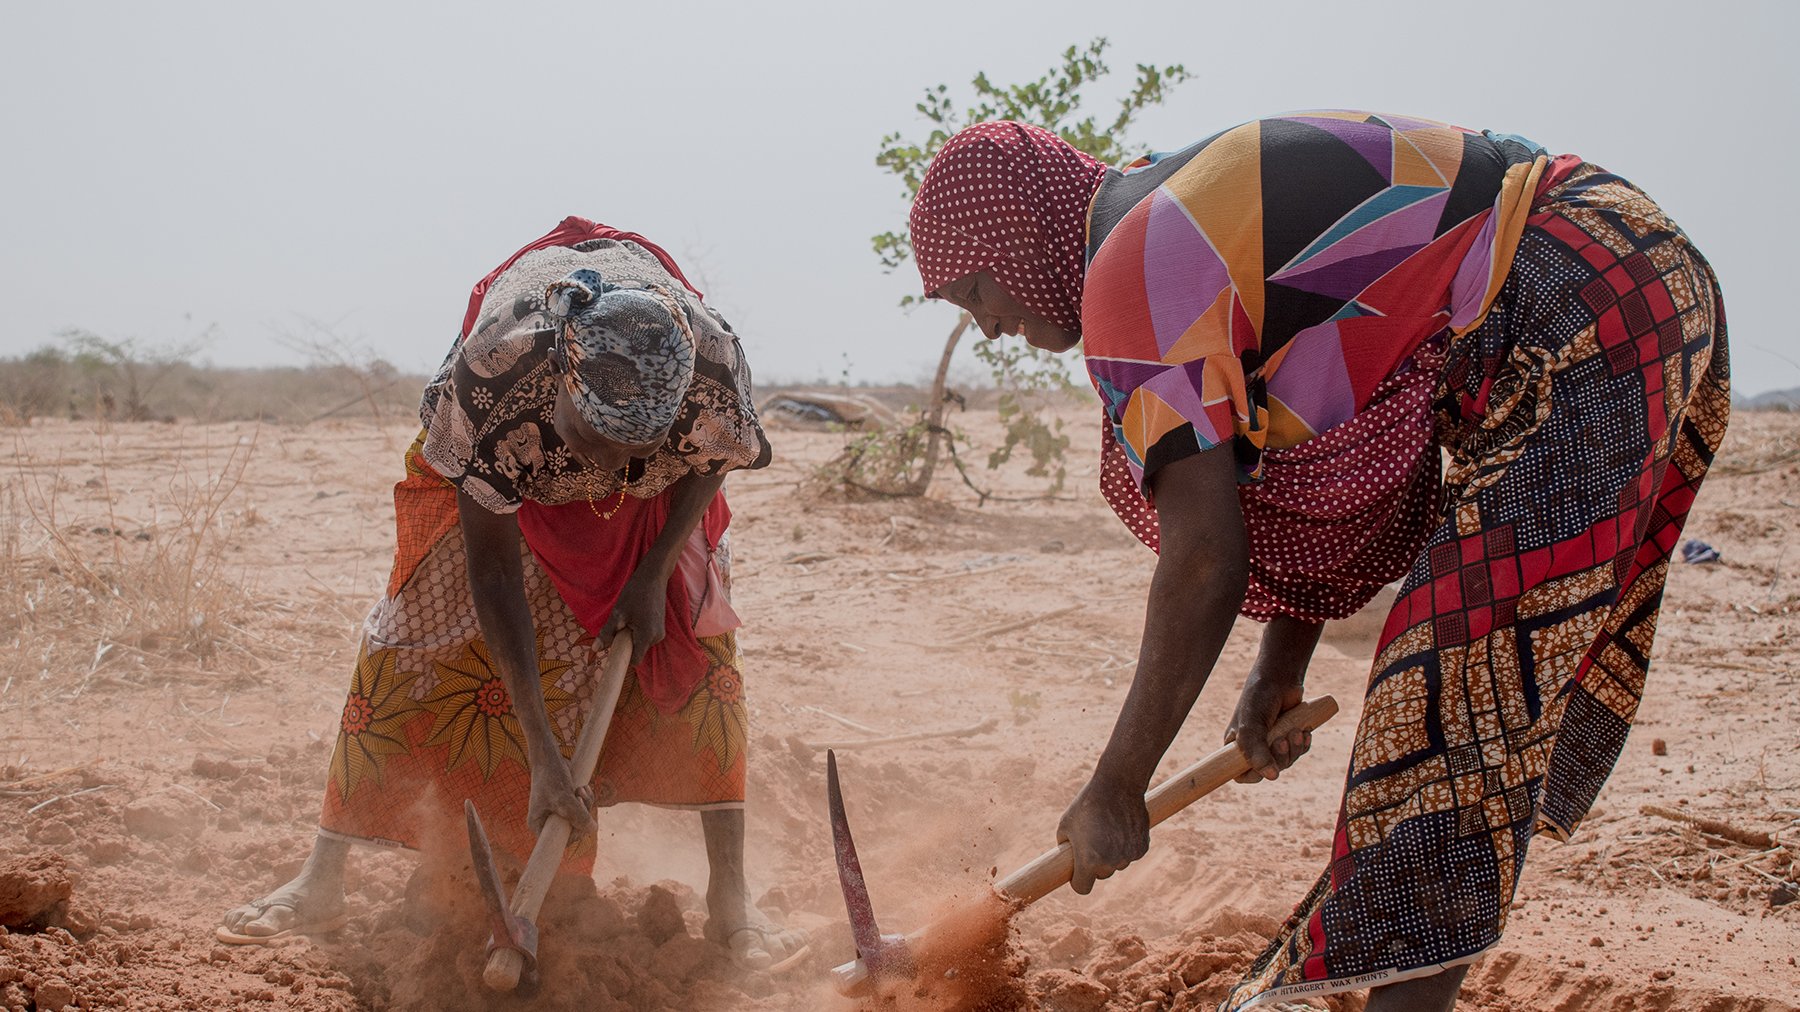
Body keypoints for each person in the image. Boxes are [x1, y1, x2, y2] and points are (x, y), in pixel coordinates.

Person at [908, 114, 1728, 1010]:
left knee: (1447, 699)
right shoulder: (1161, 229)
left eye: (974, 288)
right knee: (1458, 690)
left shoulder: (1129, 278)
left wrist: (1116, 786)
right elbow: (1330, 474)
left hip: (1576, 296)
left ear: (1022, 231)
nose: (984, 324)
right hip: (1616, 269)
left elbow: (1205, 560)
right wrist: (1279, 667)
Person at [221, 217, 803, 968]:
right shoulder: (494, 378)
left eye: (638, 447)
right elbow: (491, 573)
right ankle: (319, 882)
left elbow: (714, 460)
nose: (614, 467)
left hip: (661, 501)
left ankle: (731, 902)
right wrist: (541, 752)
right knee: (412, 642)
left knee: (701, 657)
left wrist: (656, 570)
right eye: (597, 441)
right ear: (560, 381)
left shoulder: (712, 369)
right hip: (500, 467)